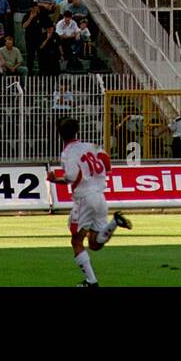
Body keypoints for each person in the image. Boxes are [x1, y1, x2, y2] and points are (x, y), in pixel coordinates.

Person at [48, 117, 132, 288]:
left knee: (76, 241)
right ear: (77, 131)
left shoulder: (68, 153)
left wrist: (54, 180)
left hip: (84, 198)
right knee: (94, 244)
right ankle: (114, 222)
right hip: (100, 196)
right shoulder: (91, 146)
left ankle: (91, 282)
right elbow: (107, 163)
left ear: (59, 134)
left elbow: (71, 177)